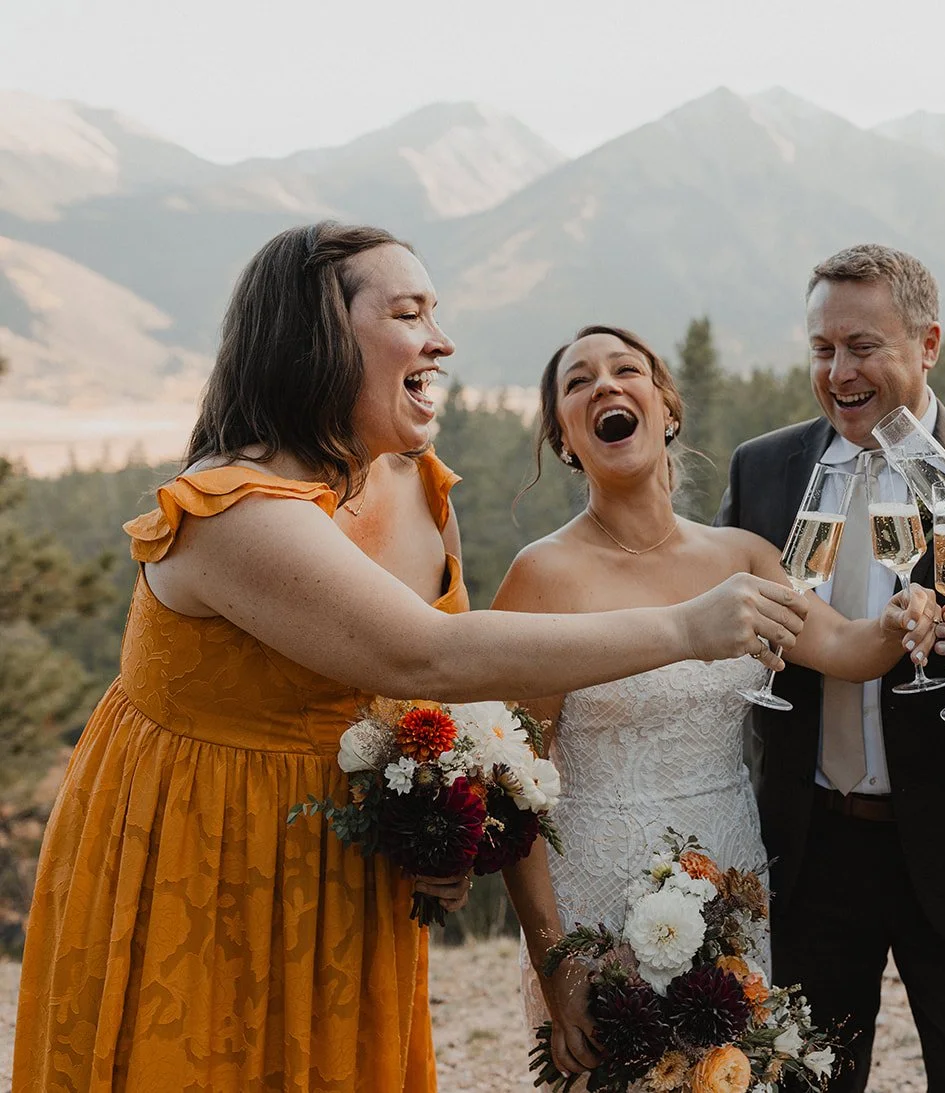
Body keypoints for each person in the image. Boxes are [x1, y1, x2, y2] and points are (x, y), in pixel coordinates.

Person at [11, 225, 806, 1093]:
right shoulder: (233, 512)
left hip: (346, 877)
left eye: (437, 311)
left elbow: (456, 716)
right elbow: (428, 656)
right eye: (409, 312)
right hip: (204, 860)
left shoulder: (415, 484)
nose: (442, 340)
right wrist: (686, 629)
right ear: (318, 336)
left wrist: (448, 821)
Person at [489, 325, 938, 1083]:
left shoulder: (742, 555)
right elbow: (515, 785)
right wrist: (554, 961)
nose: (604, 385)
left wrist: (901, 619)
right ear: (564, 438)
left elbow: (848, 649)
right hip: (595, 894)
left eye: (625, 369)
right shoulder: (543, 576)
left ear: (665, 408)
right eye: (578, 382)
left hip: (731, 873)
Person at [716, 244, 945, 1093]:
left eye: (862, 346)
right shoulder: (762, 469)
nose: (838, 371)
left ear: (929, 345)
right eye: (821, 348)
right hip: (810, 851)